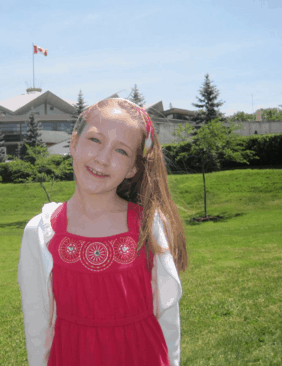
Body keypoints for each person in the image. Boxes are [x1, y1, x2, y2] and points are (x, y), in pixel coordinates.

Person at [18, 98, 189, 366]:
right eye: (95, 140)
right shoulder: (40, 233)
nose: (103, 158)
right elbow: (37, 327)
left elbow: (168, 316)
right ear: (74, 143)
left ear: (133, 167)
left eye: (121, 151)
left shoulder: (150, 225)